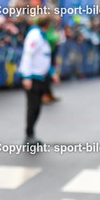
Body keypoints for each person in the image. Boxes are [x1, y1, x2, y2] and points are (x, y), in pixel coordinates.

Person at [18, 15, 59, 145]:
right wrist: (26, 77)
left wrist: (52, 73)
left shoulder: (43, 36)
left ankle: (31, 134)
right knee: (33, 106)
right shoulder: (34, 36)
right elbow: (27, 56)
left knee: (37, 107)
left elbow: (44, 57)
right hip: (33, 76)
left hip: (41, 76)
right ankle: (29, 135)